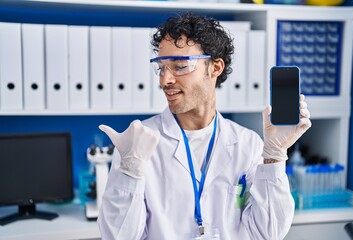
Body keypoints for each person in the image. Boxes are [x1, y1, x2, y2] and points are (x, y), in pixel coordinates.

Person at [97, 12, 311, 240]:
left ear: (215, 68)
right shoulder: (137, 145)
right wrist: (130, 171)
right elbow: (117, 237)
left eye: (179, 66)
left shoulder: (247, 144)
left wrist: (274, 156)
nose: (164, 80)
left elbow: (269, 233)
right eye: (161, 68)